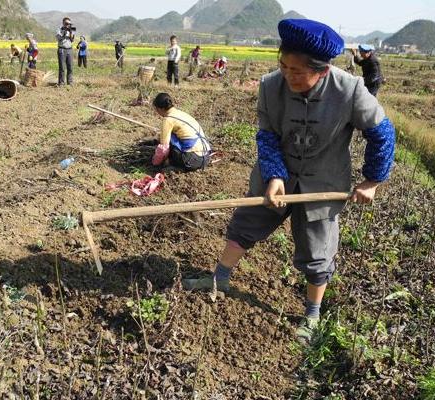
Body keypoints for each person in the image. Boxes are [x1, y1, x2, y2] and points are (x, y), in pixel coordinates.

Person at [182, 19, 395, 344]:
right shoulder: (270, 85)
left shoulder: (349, 90)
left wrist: (372, 180)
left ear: (322, 71)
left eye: (297, 71)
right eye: (283, 66)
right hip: (274, 179)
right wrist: (275, 176)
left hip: (323, 183)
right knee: (244, 226)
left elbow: (382, 133)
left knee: (317, 251)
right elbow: (267, 135)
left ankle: (312, 313)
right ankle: (219, 279)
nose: (288, 75)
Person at [151, 93, 211, 172]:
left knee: (170, 138)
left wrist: (155, 162)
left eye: (156, 109)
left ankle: (177, 166)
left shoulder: (168, 120)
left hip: (191, 160)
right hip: (205, 158)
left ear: (160, 108)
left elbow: (163, 148)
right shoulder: (181, 114)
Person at [56, 17, 76, 85]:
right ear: (63, 23)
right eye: (67, 23)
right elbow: (59, 39)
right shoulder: (59, 30)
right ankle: (61, 83)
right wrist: (64, 33)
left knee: (70, 67)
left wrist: (70, 33)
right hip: (62, 49)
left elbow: (72, 40)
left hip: (69, 49)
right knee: (62, 67)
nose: (68, 25)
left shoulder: (71, 30)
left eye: (69, 24)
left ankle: (70, 82)